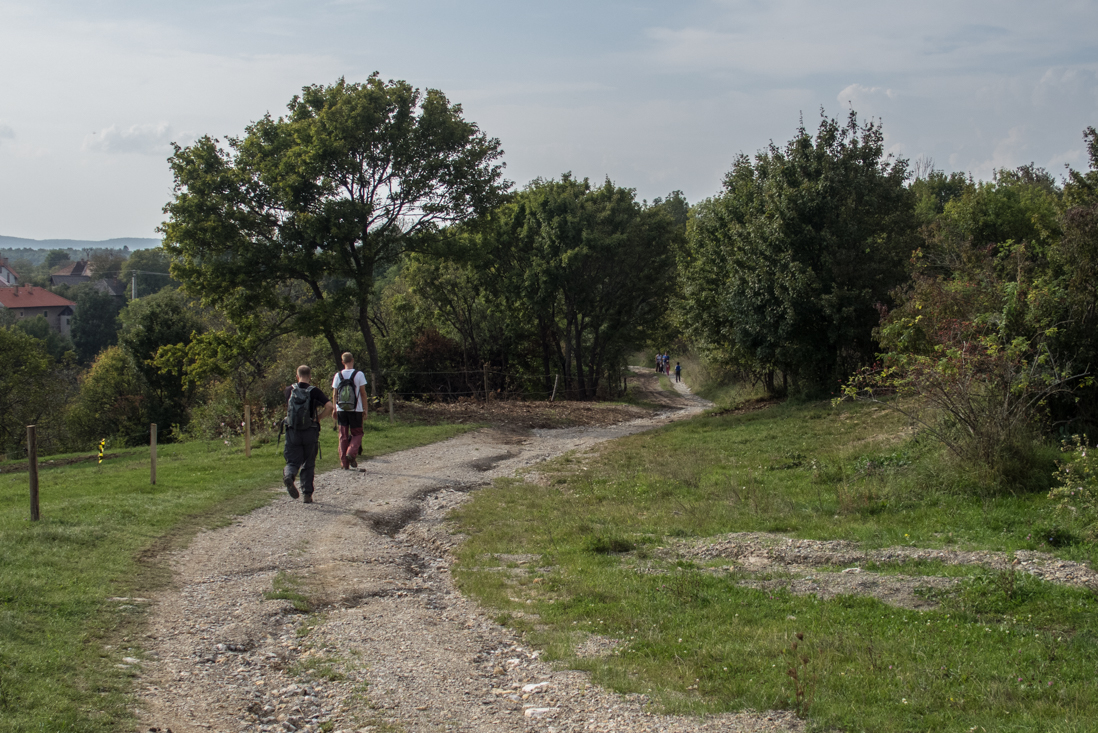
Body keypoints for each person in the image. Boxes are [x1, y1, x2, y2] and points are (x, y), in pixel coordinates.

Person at [283, 365, 333, 504]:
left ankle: (289, 475)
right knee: (308, 462)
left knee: (292, 460)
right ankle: (307, 494)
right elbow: (330, 406)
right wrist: (319, 418)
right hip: (310, 431)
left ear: (297, 375)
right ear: (310, 376)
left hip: (293, 431)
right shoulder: (314, 391)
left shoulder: (289, 390)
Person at [331, 352, 369, 470]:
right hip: (355, 409)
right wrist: (365, 409)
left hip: (341, 409)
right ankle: (351, 453)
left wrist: (334, 408)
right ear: (352, 360)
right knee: (357, 433)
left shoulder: (338, 375)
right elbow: (363, 393)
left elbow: (334, 394)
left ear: (342, 362)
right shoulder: (359, 374)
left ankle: (344, 463)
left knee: (343, 435)